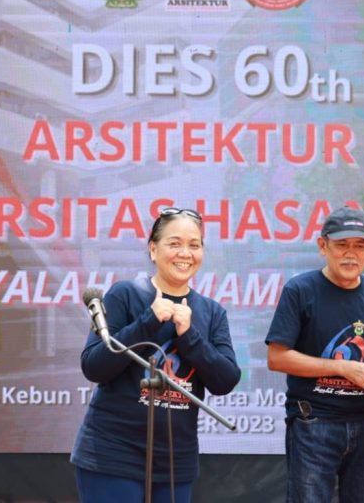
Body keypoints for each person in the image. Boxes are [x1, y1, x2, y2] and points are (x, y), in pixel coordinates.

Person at [71, 207, 241, 503]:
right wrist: (147, 322)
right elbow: (94, 366)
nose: (185, 253)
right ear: (153, 249)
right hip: (114, 454)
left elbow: (225, 380)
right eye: (174, 243)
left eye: (194, 245)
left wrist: (189, 336)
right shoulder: (124, 295)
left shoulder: (212, 312)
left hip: (176, 461)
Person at [265, 206, 364, 503]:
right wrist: (343, 368)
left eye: (360, 246)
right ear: (323, 246)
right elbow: (277, 358)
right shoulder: (300, 290)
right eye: (342, 245)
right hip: (315, 423)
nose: (351, 254)